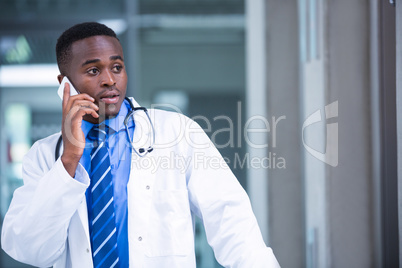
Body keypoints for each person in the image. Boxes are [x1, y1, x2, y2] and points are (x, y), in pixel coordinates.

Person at [1, 22, 280, 268]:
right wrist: (70, 159)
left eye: (117, 67)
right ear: (65, 85)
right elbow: (30, 251)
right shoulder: (45, 156)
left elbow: (231, 219)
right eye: (93, 70)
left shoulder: (176, 132)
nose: (110, 79)